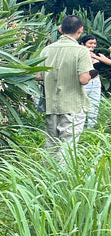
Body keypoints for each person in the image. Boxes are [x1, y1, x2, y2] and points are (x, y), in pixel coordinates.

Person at [37, 15, 97, 157]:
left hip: (51, 104)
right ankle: (64, 177)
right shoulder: (81, 51)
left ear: (60, 29)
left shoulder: (47, 50)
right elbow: (83, 79)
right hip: (73, 105)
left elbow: (39, 75)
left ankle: (47, 175)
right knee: (68, 146)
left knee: (51, 144)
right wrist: (91, 74)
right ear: (80, 30)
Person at [79, 34, 111, 128]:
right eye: (90, 43)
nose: (93, 45)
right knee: (80, 106)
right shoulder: (79, 54)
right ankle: (78, 127)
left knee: (94, 106)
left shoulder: (97, 55)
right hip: (84, 83)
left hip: (96, 82)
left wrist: (98, 58)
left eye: (94, 43)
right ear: (82, 44)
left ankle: (91, 128)